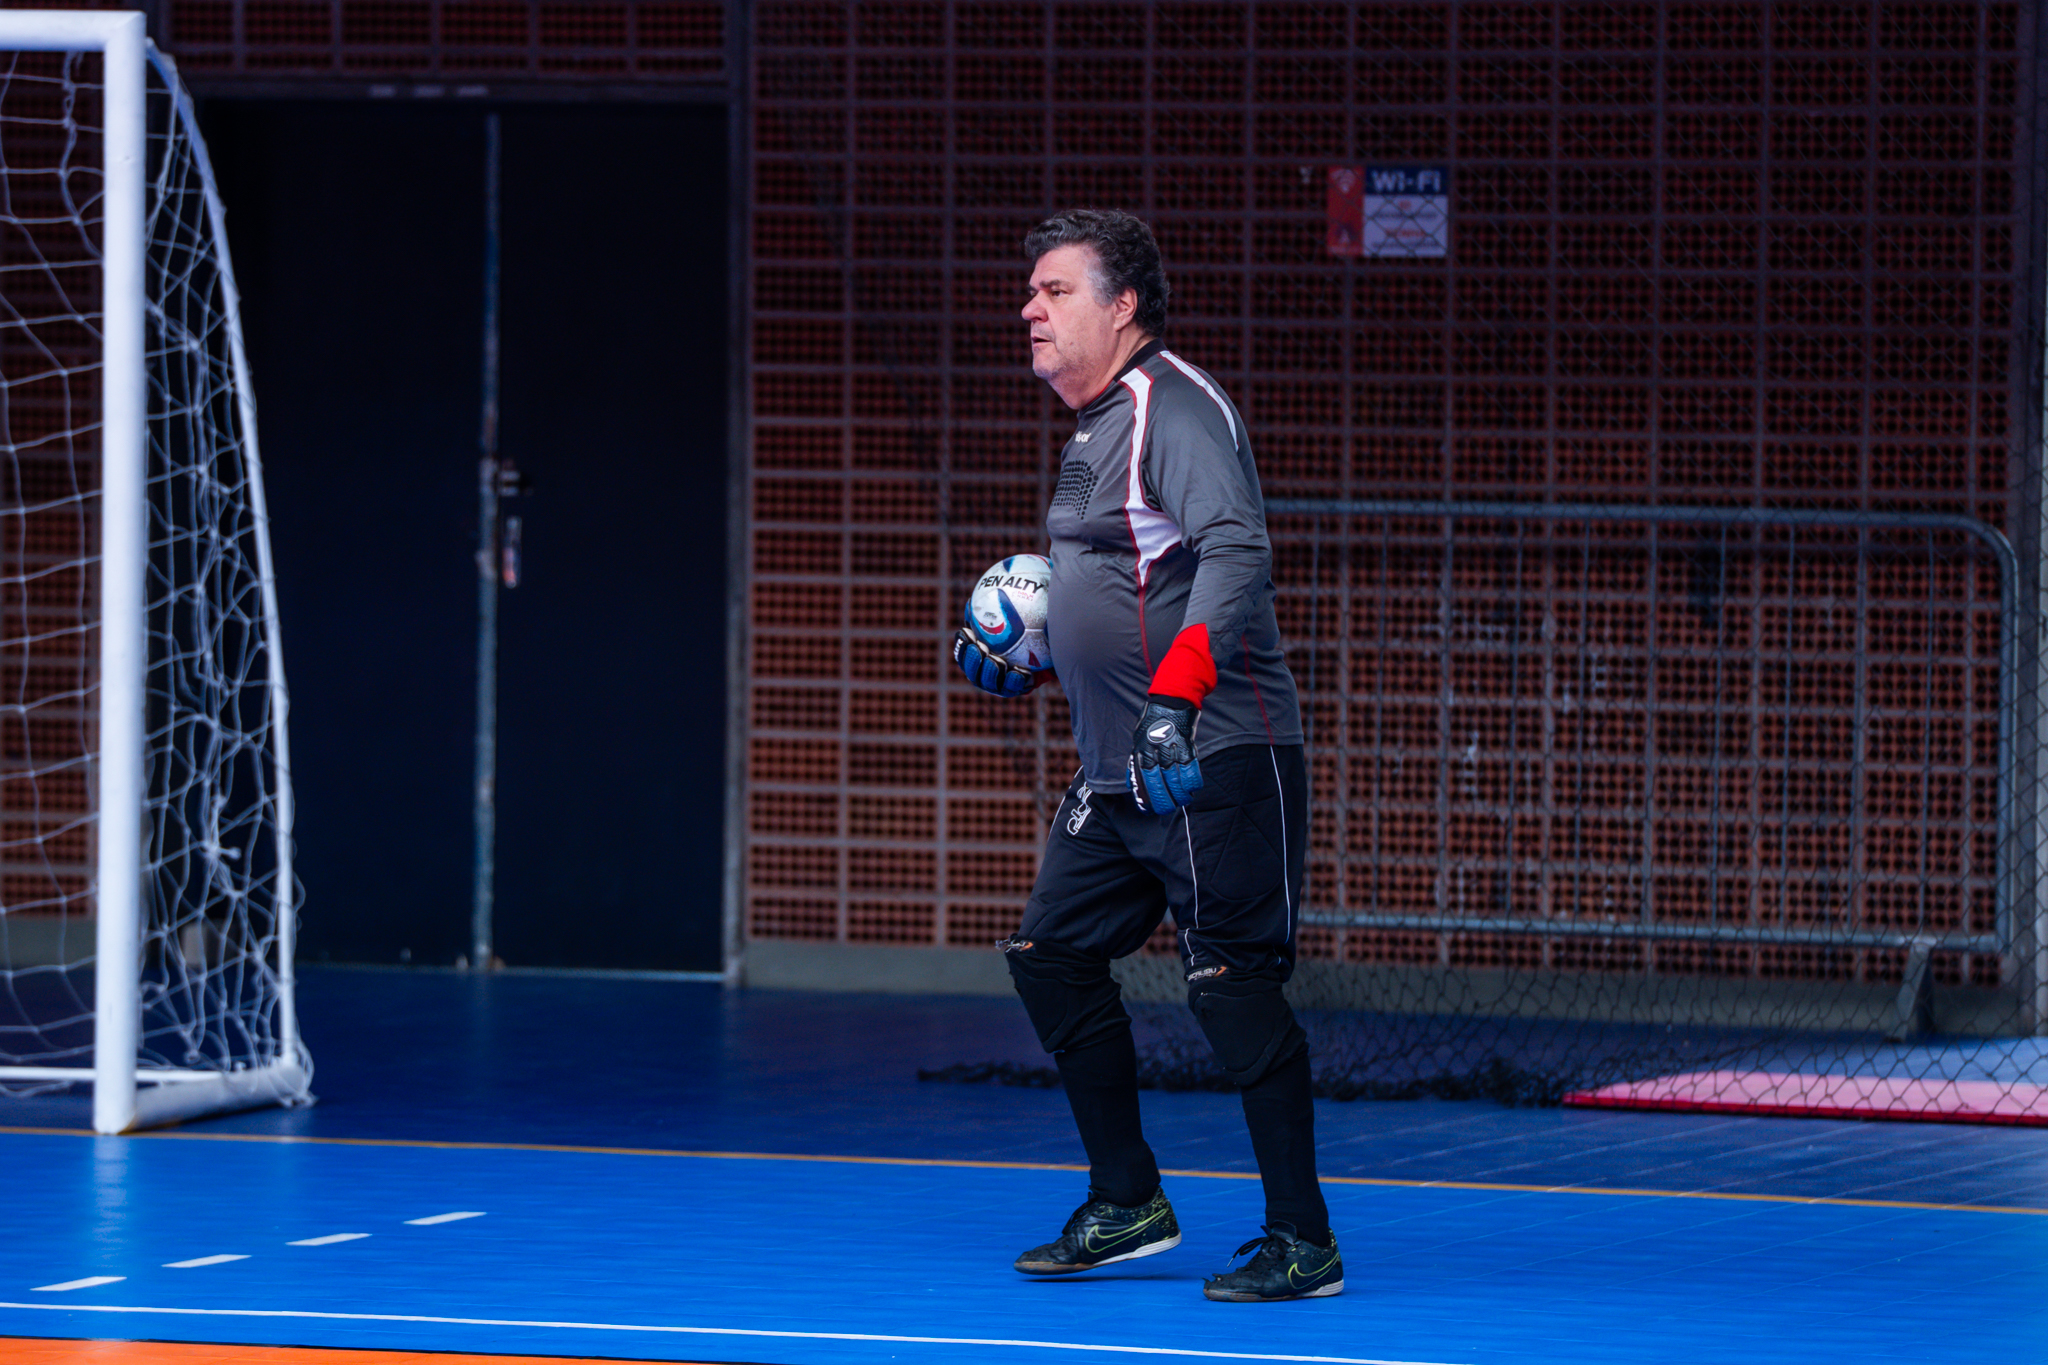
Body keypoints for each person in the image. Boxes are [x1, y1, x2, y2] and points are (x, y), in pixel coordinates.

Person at [952, 208, 1339, 1303]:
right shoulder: (1094, 429)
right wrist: (1041, 649)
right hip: (1118, 772)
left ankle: (1302, 1240)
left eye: (1055, 291)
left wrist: (1173, 695)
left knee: (1230, 986)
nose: (1029, 309)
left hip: (1211, 754)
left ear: (1121, 305)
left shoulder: (1173, 404)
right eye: (1030, 292)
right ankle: (1126, 1203)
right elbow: (1125, 581)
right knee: (1050, 954)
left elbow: (1235, 548)